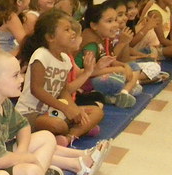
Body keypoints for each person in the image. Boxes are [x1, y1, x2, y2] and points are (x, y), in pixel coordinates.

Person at [15, 11, 108, 142]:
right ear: (51, 37)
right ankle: (78, 130)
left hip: (53, 111)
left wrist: (74, 109)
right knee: (58, 125)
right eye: (66, 30)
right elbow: (36, 89)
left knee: (97, 112)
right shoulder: (41, 55)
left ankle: (69, 137)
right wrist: (65, 108)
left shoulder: (65, 59)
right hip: (30, 113)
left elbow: (63, 91)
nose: (73, 33)